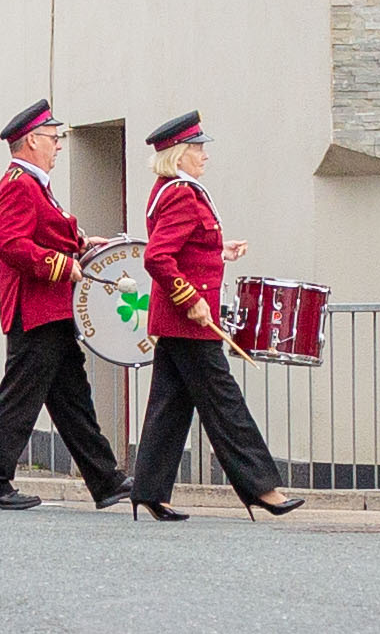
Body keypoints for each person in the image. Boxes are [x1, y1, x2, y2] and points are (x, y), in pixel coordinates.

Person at [127, 112, 296, 522]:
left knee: (168, 407)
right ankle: (261, 488)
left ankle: (149, 490)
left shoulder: (170, 191)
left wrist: (219, 251)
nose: (204, 155)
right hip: (189, 322)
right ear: (179, 155)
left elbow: (185, 248)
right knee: (226, 404)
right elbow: (158, 256)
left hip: (178, 323)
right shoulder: (182, 194)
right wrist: (189, 299)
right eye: (197, 148)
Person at [0, 99, 131, 511]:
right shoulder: (19, 184)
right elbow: (10, 243)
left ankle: (106, 479)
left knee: (72, 398)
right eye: (53, 138)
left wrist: (79, 245)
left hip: (53, 309)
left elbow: (41, 232)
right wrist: (61, 264)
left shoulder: (34, 183)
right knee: (20, 397)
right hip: (35, 308)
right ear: (30, 142)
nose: (58, 145)